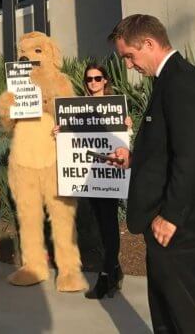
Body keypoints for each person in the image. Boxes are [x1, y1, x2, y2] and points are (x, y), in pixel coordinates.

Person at [107, 14, 195, 333]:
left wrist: (172, 216)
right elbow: (172, 146)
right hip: (168, 220)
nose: (129, 66)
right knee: (167, 312)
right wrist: (135, 159)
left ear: (148, 43)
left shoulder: (180, 82)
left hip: (182, 223)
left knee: (187, 315)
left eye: (129, 56)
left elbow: (193, 153)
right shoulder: (169, 81)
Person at [53, 62, 132, 299]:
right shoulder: (77, 108)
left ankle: (106, 276)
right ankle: (114, 269)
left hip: (108, 175)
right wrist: (59, 133)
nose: (93, 83)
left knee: (107, 224)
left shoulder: (116, 106)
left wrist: (128, 127)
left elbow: (123, 142)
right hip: (88, 175)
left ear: (105, 80)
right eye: (89, 79)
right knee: (99, 227)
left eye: (98, 78)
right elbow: (72, 141)